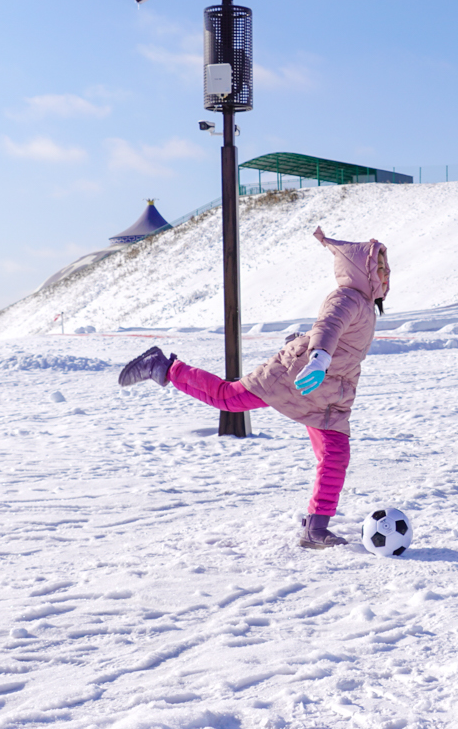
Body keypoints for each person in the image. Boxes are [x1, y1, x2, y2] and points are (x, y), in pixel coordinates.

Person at [117, 226, 390, 550]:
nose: (385, 274)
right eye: (379, 267)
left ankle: (316, 528)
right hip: (299, 375)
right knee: (228, 398)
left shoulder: (364, 304)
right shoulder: (347, 298)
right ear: (362, 270)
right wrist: (317, 357)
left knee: (335, 455)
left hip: (328, 394)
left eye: (386, 268)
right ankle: (162, 367)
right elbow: (328, 326)